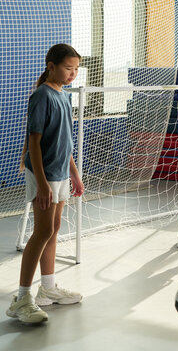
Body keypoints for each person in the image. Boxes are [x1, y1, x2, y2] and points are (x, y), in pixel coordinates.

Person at [6, 44, 85, 324]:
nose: (72, 73)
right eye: (68, 68)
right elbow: (35, 143)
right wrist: (42, 184)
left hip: (61, 173)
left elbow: (66, 141)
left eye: (76, 69)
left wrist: (74, 173)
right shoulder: (42, 95)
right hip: (45, 175)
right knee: (41, 231)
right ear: (51, 66)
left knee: (54, 229)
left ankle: (48, 289)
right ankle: (22, 298)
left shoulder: (64, 96)